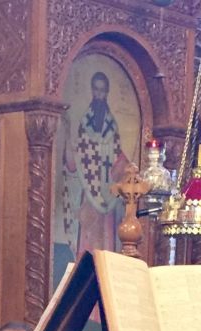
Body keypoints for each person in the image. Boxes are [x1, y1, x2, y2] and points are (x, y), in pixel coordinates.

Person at [63, 70, 128, 259]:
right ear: (92, 91)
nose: (99, 94)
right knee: (87, 243)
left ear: (107, 92)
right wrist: (68, 143)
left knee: (107, 245)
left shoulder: (111, 125)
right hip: (89, 195)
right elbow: (78, 157)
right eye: (96, 89)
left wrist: (127, 167)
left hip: (108, 197)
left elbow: (118, 155)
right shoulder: (85, 123)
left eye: (102, 90)